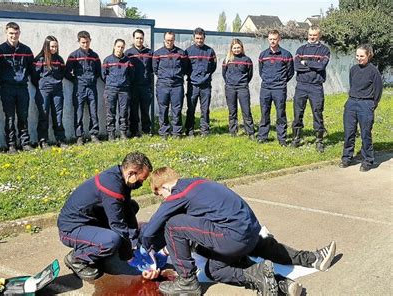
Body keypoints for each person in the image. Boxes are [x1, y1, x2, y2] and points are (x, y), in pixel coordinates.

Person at [139, 167, 336, 296]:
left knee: (176, 228)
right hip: (252, 232)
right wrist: (163, 253)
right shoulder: (199, 184)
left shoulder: (178, 194)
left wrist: (144, 252)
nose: (164, 200)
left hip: (233, 239)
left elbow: (152, 230)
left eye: (160, 195)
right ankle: (305, 264)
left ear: (164, 187)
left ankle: (187, 283)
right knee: (244, 250)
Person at [58, 151, 153, 280]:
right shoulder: (111, 187)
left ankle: (99, 243)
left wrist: (134, 242)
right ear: (131, 173)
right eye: (142, 180)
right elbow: (117, 224)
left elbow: (127, 211)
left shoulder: (120, 178)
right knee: (112, 240)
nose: (141, 184)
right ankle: (77, 258)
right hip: (71, 229)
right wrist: (129, 257)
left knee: (132, 206)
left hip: (91, 220)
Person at [0, 22, 34, 154]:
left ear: (19, 33)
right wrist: (5, 79)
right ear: (6, 33)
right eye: (11, 33)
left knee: (23, 116)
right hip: (7, 88)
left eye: (16, 33)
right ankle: (11, 145)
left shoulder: (26, 50)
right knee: (9, 117)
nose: (13, 36)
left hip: (22, 88)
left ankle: (25, 143)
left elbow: (32, 68)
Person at [339, 44, 383, 172]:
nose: (359, 58)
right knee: (349, 132)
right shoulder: (353, 69)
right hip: (352, 103)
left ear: (369, 55)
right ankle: (346, 158)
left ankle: (367, 160)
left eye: (362, 56)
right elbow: (352, 84)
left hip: (366, 104)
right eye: (357, 56)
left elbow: (378, 91)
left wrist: (371, 105)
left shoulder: (374, 71)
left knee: (365, 134)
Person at [292, 26, 330, 152]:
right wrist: (312, 65)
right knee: (298, 113)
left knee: (317, 113)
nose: (311, 37)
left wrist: (306, 63)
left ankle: (319, 141)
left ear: (319, 35)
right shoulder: (301, 49)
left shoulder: (324, 50)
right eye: (310, 35)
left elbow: (321, 66)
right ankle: (296, 138)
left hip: (316, 86)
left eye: (314, 35)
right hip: (301, 86)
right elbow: (297, 66)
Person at [257, 30, 294, 146]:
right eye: (270, 39)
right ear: (268, 39)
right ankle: (262, 136)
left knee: (280, 114)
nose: (272, 41)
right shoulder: (263, 55)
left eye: (275, 39)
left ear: (279, 39)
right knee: (264, 113)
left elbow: (290, 72)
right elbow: (261, 71)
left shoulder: (286, 55)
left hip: (279, 89)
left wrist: (281, 81)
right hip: (266, 88)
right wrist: (268, 80)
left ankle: (282, 139)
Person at [65, 31, 101, 145]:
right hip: (79, 88)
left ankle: (94, 134)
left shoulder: (95, 56)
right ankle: (79, 136)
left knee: (93, 112)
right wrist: (76, 80)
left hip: (92, 87)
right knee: (78, 112)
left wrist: (92, 79)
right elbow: (66, 72)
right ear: (79, 42)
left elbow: (98, 72)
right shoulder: (74, 56)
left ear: (90, 40)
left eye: (87, 42)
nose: (85, 44)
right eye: (83, 42)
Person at [31, 36, 66, 149]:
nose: (54, 49)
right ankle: (43, 141)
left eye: (56, 46)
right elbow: (34, 76)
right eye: (52, 46)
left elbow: (62, 73)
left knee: (58, 116)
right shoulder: (40, 59)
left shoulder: (59, 60)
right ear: (46, 46)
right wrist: (42, 85)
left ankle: (60, 139)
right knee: (44, 115)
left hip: (57, 91)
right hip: (43, 91)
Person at [153, 31, 189, 139]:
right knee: (163, 109)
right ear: (164, 40)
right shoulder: (157, 53)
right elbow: (155, 69)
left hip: (177, 86)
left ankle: (176, 132)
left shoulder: (181, 53)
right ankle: (164, 132)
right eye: (167, 40)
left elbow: (185, 67)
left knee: (177, 109)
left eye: (171, 40)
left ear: (174, 40)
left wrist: (177, 76)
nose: (169, 42)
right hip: (162, 85)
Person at [184, 28, 217, 137]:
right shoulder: (188, 51)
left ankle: (205, 131)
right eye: (197, 38)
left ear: (204, 38)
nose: (199, 40)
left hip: (206, 85)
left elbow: (213, 67)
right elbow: (185, 68)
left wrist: (206, 76)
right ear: (194, 38)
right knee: (191, 109)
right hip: (192, 85)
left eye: (201, 38)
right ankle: (189, 130)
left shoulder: (210, 51)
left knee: (205, 109)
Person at [222, 38, 255, 140]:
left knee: (246, 111)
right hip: (230, 88)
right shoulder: (227, 60)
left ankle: (250, 133)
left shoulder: (247, 60)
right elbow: (224, 74)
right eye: (234, 48)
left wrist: (243, 83)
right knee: (232, 112)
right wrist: (230, 82)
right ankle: (233, 132)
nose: (236, 49)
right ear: (231, 49)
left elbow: (249, 75)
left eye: (238, 47)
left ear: (242, 48)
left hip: (243, 88)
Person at [101, 39, 134, 141]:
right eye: (118, 46)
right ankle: (111, 134)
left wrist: (125, 82)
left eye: (122, 47)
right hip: (110, 90)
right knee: (110, 113)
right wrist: (111, 83)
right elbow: (103, 75)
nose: (120, 49)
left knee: (123, 113)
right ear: (114, 46)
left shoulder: (128, 61)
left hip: (124, 90)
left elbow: (131, 75)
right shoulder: (107, 60)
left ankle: (123, 133)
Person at [125, 29, 153, 138]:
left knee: (145, 110)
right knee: (134, 110)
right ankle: (134, 131)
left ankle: (146, 130)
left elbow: (153, 68)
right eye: (137, 38)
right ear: (133, 39)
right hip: (133, 86)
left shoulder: (149, 53)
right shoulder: (128, 53)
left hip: (146, 86)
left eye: (141, 38)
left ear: (143, 39)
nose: (139, 40)